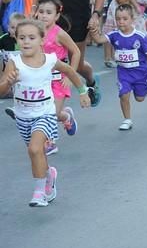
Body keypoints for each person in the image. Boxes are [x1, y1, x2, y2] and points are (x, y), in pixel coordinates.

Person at [0, 19, 89, 207]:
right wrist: (8, 82)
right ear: (16, 39)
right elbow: (1, 90)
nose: (26, 41)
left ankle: (39, 193)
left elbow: (70, 72)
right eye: (22, 37)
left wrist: (82, 92)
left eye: (31, 37)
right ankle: (49, 175)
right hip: (23, 116)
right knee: (36, 153)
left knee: (35, 148)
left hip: (46, 113)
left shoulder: (49, 60)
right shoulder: (14, 63)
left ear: (41, 40)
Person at [87, 3, 147, 130]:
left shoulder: (140, 37)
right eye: (118, 19)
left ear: (132, 19)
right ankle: (127, 119)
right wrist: (93, 30)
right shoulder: (114, 35)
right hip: (123, 73)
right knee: (123, 95)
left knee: (140, 98)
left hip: (140, 73)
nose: (121, 22)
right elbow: (99, 40)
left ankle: (146, 86)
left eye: (125, 19)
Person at [35, 0, 81, 156]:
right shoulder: (35, 31)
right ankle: (66, 117)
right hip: (41, 80)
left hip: (58, 80)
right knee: (45, 113)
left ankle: (51, 143)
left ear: (56, 16)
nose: (44, 15)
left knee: (51, 113)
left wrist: (70, 75)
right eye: (41, 12)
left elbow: (76, 51)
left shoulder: (59, 34)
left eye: (48, 12)